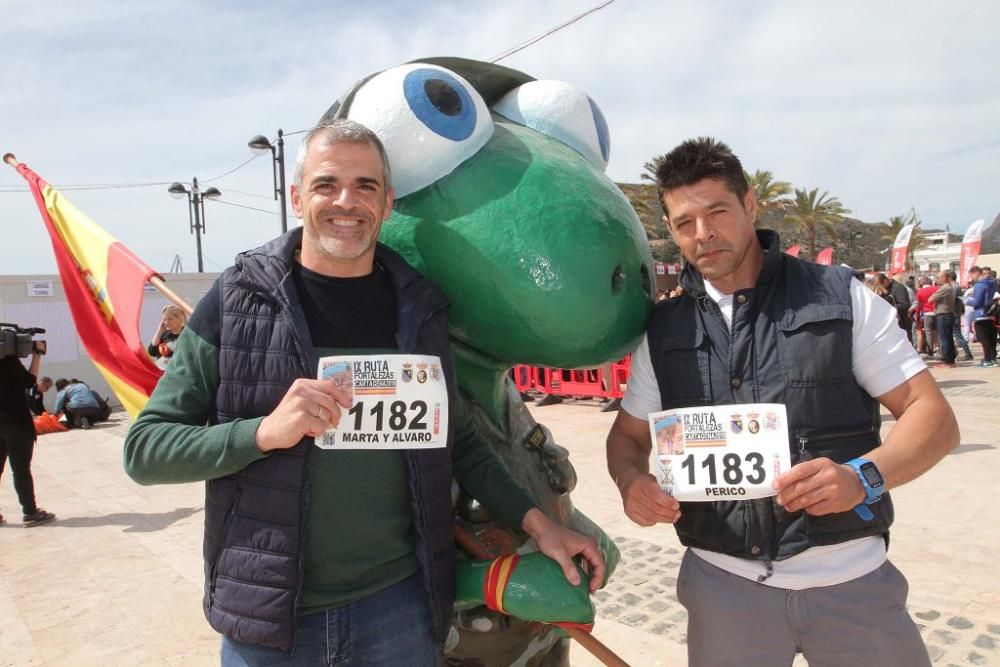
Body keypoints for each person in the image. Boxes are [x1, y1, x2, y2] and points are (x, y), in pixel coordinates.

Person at [123, 119, 604, 665]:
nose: (346, 201)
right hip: (273, 618)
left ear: (389, 201)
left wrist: (539, 525)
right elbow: (145, 450)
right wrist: (261, 433)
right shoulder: (236, 301)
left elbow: (460, 440)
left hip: (397, 613)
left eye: (366, 186)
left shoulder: (418, 308)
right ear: (296, 195)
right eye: (327, 184)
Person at [605, 137, 959, 666]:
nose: (702, 234)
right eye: (683, 223)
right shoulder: (664, 329)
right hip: (721, 588)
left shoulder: (839, 298)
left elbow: (932, 417)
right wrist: (632, 483)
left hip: (852, 582)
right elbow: (627, 439)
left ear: (750, 205)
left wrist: (862, 476)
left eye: (717, 211)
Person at [0, 346, 56, 526]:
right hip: (15, 423)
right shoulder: (7, 360)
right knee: (21, 470)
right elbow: (29, 381)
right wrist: (37, 354)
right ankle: (30, 512)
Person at [968, 266, 998, 367]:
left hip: (980, 315)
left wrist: (966, 300)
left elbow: (977, 302)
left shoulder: (979, 285)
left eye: (971, 275)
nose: (971, 278)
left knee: (983, 338)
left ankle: (987, 360)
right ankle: (993, 359)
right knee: (991, 337)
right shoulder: (993, 283)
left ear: (976, 273)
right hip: (991, 314)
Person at [928, 269, 957, 367]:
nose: (937, 279)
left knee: (944, 338)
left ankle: (947, 360)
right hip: (947, 315)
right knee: (948, 338)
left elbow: (930, 299)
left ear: (944, 278)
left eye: (938, 277)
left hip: (944, 315)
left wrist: (934, 296)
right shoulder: (949, 287)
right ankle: (950, 359)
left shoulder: (945, 288)